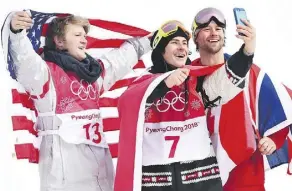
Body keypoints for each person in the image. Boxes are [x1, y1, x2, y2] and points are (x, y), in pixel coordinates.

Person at [7, 11, 152, 191]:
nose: (84, 40)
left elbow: (120, 60)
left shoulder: (93, 73)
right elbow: (25, 62)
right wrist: (16, 33)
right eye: (77, 35)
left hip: (99, 165)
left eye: (85, 36)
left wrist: (151, 41)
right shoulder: (46, 74)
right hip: (63, 168)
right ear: (59, 42)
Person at [114, 20, 253, 191]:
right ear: (161, 49)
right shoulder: (143, 83)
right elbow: (126, 106)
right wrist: (164, 83)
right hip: (156, 181)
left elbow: (223, 83)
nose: (181, 47)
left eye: (184, 43)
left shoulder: (195, 80)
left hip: (201, 180)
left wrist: (246, 52)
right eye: (174, 42)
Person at [191, 7, 290, 191]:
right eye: (206, 29)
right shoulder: (186, 76)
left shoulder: (248, 71)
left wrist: (273, 139)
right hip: (200, 174)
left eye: (219, 29)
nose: (214, 33)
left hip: (245, 174)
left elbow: (282, 106)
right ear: (195, 36)